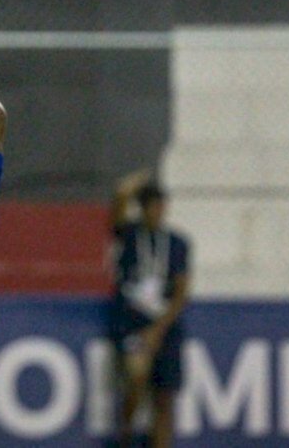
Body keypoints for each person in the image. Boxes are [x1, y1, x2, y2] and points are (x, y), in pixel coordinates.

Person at [108, 169, 191, 448]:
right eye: (152, 206)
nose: (158, 211)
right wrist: (132, 184)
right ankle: (127, 437)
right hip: (132, 322)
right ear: (143, 208)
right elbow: (119, 203)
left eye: (161, 206)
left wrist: (159, 329)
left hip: (163, 325)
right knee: (136, 379)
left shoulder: (177, 243)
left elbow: (181, 290)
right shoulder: (130, 235)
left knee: (165, 396)